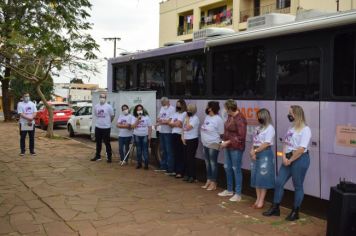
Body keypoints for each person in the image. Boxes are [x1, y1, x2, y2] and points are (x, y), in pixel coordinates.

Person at [263, 105, 311, 221]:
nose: (288, 115)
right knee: (279, 182)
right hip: (288, 158)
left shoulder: (305, 129)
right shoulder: (291, 128)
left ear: (297, 114)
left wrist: (290, 159)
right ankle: (275, 208)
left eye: (290, 113)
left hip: (300, 159)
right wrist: (284, 157)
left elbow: (301, 149)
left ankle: (295, 211)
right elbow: (285, 143)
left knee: (297, 186)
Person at [218, 99, 247, 201]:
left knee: (236, 169)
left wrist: (227, 142)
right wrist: (223, 141)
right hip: (227, 146)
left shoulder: (240, 119)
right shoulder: (230, 116)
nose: (225, 110)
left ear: (230, 108)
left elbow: (241, 136)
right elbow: (227, 130)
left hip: (236, 148)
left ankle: (238, 194)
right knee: (227, 167)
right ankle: (229, 190)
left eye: (226, 108)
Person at [249, 108, 275, 209]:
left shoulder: (270, 128)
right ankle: (257, 198)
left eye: (260, 116)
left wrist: (255, 151)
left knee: (262, 177)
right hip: (256, 152)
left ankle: (261, 200)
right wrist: (252, 151)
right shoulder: (257, 128)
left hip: (265, 153)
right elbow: (254, 141)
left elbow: (266, 143)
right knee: (255, 176)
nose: (258, 118)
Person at [200, 101, 224, 191]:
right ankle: (208, 180)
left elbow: (222, 134)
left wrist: (221, 143)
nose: (206, 108)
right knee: (207, 163)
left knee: (213, 163)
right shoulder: (207, 117)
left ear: (211, 108)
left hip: (214, 143)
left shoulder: (218, 119)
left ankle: (214, 182)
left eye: (208, 106)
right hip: (205, 144)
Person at [91, 93, 114, 163]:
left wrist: (108, 122)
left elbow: (112, 116)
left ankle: (109, 157)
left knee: (107, 143)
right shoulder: (96, 106)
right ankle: (98, 156)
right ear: (99, 98)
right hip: (98, 127)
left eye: (103, 97)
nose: (102, 98)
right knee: (98, 142)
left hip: (106, 127)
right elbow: (96, 115)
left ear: (106, 98)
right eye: (101, 97)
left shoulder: (109, 107)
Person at [156, 97, 175, 174]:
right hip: (162, 131)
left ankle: (170, 168)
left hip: (168, 132)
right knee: (163, 150)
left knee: (169, 150)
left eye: (164, 104)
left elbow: (170, 121)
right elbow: (158, 118)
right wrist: (162, 121)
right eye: (162, 104)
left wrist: (162, 121)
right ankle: (163, 167)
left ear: (168, 102)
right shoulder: (162, 108)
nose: (163, 105)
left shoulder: (172, 109)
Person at [169, 99, 187, 178]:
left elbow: (179, 124)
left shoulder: (184, 113)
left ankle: (180, 172)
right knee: (175, 153)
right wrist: (174, 124)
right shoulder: (175, 113)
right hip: (173, 134)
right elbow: (170, 124)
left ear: (182, 105)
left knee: (180, 154)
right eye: (177, 105)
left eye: (179, 105)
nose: (178, 106)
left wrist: (174, 124)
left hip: (180, 134)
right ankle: (175, 170)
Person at [182, 104, 200, 183]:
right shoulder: (186, 118)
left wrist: (188, 119)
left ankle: (192, 176)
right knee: (185, 158)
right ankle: (187, 174)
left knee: (190, 158)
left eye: (189, 110)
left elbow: (188, 128)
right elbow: (183, 128)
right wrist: (182, 137)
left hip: (192, 140)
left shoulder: (195, 118)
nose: (187, 111)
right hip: (185, 139)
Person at [131, 104, 152, 170]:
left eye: (141, 109)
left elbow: (150, 127)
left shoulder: (146, 117)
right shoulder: (133, 117)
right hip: (137, 135)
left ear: (142, 110)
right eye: (138, 109)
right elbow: (133, 126)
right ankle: (139, 164)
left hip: (145, 135)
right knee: (139, 150)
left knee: (145, 150)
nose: (139, 111)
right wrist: (138, 119)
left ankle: (146, 165)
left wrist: (149, 136)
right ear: (136, 111)